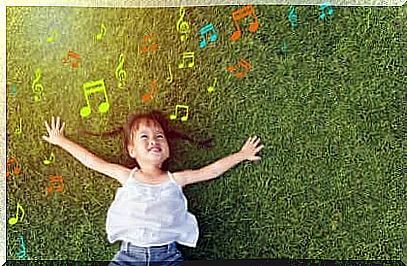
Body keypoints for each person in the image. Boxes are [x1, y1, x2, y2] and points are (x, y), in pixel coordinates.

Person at [42, 110, 264, 265]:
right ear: (132, 151)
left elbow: (211, 171)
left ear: (167, 151)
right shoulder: (126, 176)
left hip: (168, 257)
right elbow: (93, 162)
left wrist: (241, 155)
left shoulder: (176, 179)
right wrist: (61, 140)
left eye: (159, 137)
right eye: (144, 137)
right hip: (128, 257)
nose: (154, 141)